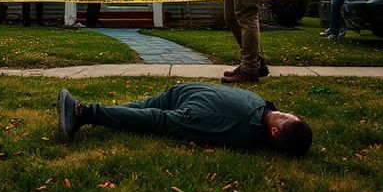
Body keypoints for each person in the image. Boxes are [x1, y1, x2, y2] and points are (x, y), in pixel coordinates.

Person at [56, 83, 312, 156]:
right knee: (145, 107)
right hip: (187, 93)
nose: (282, 112)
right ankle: (84, 115)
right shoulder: (264, 109)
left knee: (153, 118)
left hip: (196, 113)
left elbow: (215, 130)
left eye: (283, 118)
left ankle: (83, 112)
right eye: (288, 114)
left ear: (275, 133)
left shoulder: (246, 131)